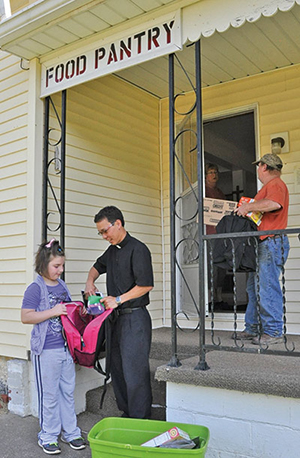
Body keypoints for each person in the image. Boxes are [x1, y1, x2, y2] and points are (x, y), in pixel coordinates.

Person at [84, 206, 154, 419]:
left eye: (105, 231)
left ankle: (140, 419)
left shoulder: (138, 249)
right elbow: (97, 266)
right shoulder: (112, 250)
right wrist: (90, 282)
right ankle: (126, 413)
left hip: (135, 318)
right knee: (118, 370)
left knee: (135, 373)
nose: (104, 236)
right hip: (114, 320)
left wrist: (118, 299)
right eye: (100, 233)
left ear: (118, 223)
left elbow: (145, 285)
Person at [21, 239, 86, 455]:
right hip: (46, 350)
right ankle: (48, 436)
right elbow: (26, 316)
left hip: (66, 349)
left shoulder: (62, 285)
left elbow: (66, 311)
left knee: (67, 392)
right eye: (56, 266)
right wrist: (53, 312)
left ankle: (71, 432)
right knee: (49, 395)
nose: (61, 270)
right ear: (43, 266)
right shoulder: (35, 288)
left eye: (62, 266)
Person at [234, 153, 289, 345]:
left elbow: (274, 204)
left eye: (258, 167)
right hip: (264, 242)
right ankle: (253, 328)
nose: (257, 170)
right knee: (254, 287)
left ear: (264, 167)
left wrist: (249, 207)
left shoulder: (275, 185)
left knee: (266, 287)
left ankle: (273, 331)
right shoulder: (269, 187)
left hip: (271, 242)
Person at [205, 163, 227, 305]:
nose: (214, 175)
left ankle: (219, 297)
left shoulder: (220, 193)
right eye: (211, 172)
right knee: (211, 266)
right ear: (206, 176)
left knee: (222, 266)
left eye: (216, 172)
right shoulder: (203, 191)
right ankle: (209, 297)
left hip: (221, 234)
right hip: (209, 234)